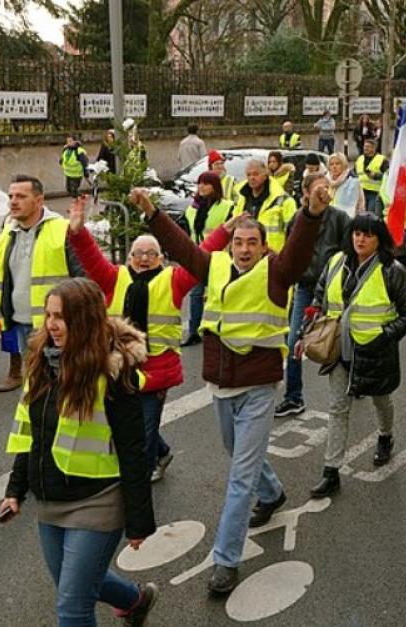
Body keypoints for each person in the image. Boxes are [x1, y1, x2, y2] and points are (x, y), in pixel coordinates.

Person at [129, 178, 328, 594]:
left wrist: (311, 212)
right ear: (230, 243)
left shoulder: (277, 271)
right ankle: (272, 493)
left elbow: (300, 249)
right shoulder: (214, 264)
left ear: (262, 245)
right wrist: (151, 213)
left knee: (239, 476)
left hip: (258, 385)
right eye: (238, 241)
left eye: (252, 242)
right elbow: (182, 247)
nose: (243, 248)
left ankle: (225, 560)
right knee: (238, 454)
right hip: (219, 385)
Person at [0, 278, 159, 626]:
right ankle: (135, 600)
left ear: (84, 320)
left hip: (97, 500)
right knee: (78, 585)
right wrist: (15, 491)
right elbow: (33, 432)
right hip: (50, 500)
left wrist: (138, 521)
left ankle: (132, 601)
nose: (52, 325)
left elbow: (134, 449)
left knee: (72, 606)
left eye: (62, 317)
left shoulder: (113, 371)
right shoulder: (43, 361)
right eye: (48, 315)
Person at [69, 194, 234, 485]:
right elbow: (90, 257)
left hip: (156, 371)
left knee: (141, 431)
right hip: (119, 367)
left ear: (161, 258)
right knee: (124, 422)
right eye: (138, 253)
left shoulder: (174, 279)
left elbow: (200, 255)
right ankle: (163, 452)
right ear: (129, 257)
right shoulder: (113, 277)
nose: (144, 258)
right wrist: (78, 231)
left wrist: (224, 232)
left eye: (151, 253)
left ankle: (137, 482)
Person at [306, 212, 406, 497]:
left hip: (374, 352)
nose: (360, 238)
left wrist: (385, 335)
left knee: (381, 400)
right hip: (338, 350)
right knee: (337, 408)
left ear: (379, 239)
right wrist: (312, 318)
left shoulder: (392, 270)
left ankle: (385, 436)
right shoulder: (336, 262)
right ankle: (331, 471)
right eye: (356, 232)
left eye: (367, 234)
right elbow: (320, 295)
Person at [0, 175, 84, 392]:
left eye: (21, 196)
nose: (13, 201)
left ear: (39, 201)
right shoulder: (8, 233)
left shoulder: (62, 230)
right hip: (20, 324)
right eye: (10, 196)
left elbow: (84, 281)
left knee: (64, 387)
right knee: (36, 388)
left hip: (56, 326)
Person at [275, 172, 350, 419]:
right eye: (318, 189)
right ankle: (293, 397)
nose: (324, 193)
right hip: (306, 287)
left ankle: (351, 383)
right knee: (294, 341)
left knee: (342, 339)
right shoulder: (298, 219)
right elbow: (291, 252)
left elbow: (348, 252)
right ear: (306, 193)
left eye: (326, 188)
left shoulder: (339, 218)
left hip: (333, 289)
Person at [183, 171, 236, 347]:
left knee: (221, 294)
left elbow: (231, 232)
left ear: (215, 186)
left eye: (206, 183)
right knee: (196, 293)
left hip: (219, 258)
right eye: (200, 183)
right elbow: (186, 232)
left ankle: (223, 328)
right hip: (198, 256)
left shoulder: (227, 206)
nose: (202, 187)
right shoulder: (192, 209)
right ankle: (194, 331)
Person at [231, 159, 297, 253]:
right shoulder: (242, 199)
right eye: (248, 175)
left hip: (273, 258)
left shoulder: (284, 200)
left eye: (255, 174)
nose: (252, 178)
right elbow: (234, 227)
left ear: (265, 175)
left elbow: (294, 235)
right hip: (246, 256)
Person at [325, 152, 365, 216]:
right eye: (331, 164)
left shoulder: (352, 181)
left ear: (343, 165)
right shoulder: (325, 180)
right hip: (329, 219)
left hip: (347, 219)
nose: (334, 166)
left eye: (337, 164)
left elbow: (360, 203)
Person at [355, 139, 388, 211]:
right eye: (364, 146)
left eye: (368, 147)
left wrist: (376, 175)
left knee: (371, 213)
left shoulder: (382, 159)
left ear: (373, 148)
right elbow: (354, 172)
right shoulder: (360, 158)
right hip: (361, 191)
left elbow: (387, 176)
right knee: (361, 212)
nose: (365, 148)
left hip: (374, 192)